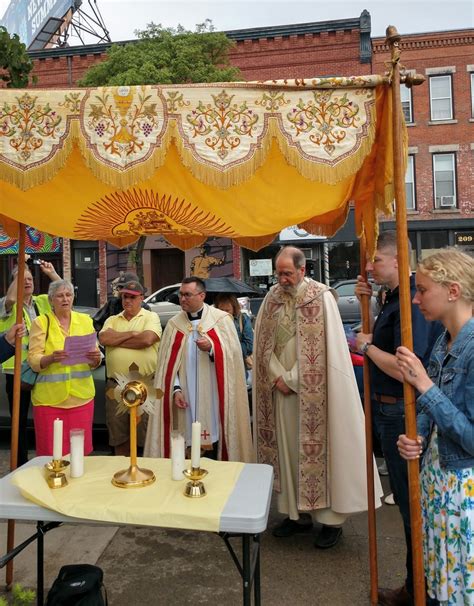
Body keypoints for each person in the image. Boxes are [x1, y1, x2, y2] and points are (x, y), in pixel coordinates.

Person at [253, 246, 382, 549]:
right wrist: (276, 376)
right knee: (288, 451)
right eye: (278, 273)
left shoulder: (321, 297)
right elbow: (262, 345)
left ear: (302, 270)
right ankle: (297, 515)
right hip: (280, 391)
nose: (281, 279)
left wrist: (295, 379)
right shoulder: (271, 298)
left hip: (315, 394)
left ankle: (329, 522)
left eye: (286, 273)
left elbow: (328, 349)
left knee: (320, 455)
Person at [355, 231, 442, 606]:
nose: (370, 266)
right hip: (385, 406)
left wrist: (368, 347)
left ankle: (419, 589)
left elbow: (411, 365)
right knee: (409, 507)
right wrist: (367, 302)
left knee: (412, 509)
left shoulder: (411, 301)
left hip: (400, 410)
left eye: (376, 259)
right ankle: (415, 583)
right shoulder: (392, 297)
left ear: (396, 260)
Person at [396, 249, 474, 606]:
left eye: (423, 290)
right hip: (440, 484)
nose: (415, 298)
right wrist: (419, 436)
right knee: (443, 583)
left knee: (462, 586)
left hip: (464, 495)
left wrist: (424, 385)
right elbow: (432, 410)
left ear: (453, 291)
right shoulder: (444, 342)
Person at [144, 277, 253, 462]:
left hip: (215, 395)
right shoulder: (173, 325)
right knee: (185, 441)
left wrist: (212, 348)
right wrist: (175, 390)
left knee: (216, 439)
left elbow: (234, 356)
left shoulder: (221, 320)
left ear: (202, 296)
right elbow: (168, 367)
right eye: (181, 295)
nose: (182, 299)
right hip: (185, 398)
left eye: (187, 295)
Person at [27, 280, 101, 457]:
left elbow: (95, 356)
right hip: (50, 401)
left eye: (68, 295)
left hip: (81, 399)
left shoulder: (85, 321)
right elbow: (33, 359)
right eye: (60, 296)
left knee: (79, 452)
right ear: (51, 300)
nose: (65, 299)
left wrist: (96, 358)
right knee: (51, 454)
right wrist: (50, 358)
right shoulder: (41, 323)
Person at [0, 260, 61, 465]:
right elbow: (10, 297)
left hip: (42, 367)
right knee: (19, 422)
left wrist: (51, 273)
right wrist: (21, 268)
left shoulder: (42, 301)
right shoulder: (8, 304)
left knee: (46, 416)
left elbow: (64, 293)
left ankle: (49, 461)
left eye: (30, 278)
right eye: (21, 279)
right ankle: (20, 464)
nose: (27, 282)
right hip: (18, 371)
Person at [99, 280, 161, 455]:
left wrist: (117, 340)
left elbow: (147, 340)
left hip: (144, 384)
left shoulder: (151, 317)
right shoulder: (112, 319)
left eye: (132, 297)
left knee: (145, 435)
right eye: (125, 297)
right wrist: (133, 334)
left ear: (141, 298)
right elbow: (104, 339)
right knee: (119, 434)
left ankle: (145, 472)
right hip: (116, 385)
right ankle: (123, 471)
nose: (127, 301)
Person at [214, 293, 253, 379]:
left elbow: (249, 346)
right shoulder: (212, 321)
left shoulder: (242, 319)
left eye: (227, 310)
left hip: (237, 367)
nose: (224, 313)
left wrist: (226, 349)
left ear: (234, 309)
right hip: (217, 367)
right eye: (221, 310)